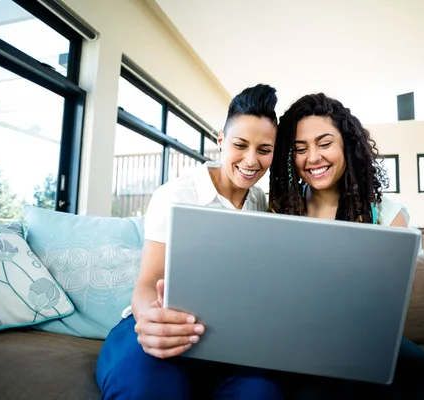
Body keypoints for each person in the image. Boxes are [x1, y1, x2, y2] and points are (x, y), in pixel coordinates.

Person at [268, 93, 424, 400]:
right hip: (301, 340)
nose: (313, 157)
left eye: (324, 143)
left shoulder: (385, 213)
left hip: (368, 339)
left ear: (346, 144)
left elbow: (398, 292)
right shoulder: (279, 211)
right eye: (300, 149)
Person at [96, 84, 284, 400]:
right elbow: (146, 285)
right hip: (165, 326)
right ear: (221, 140)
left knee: (261, 392)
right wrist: (148, 322)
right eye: (240, 145)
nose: (251, 161)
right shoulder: (175, 195)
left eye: (264, 150)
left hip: (227, 336)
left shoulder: (260, 202)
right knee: (148, 389)